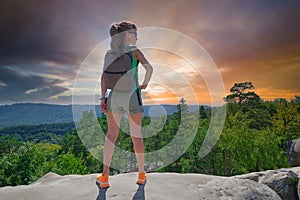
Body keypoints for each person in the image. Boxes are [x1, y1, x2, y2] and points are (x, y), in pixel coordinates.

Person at [96, 21, 153, 189]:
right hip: (132, 97)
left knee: (111, 135)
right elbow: (149, 69)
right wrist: (144, 84)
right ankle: (141, 174)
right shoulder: (135, 52)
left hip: (114, 97)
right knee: (136, 136)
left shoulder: (109, 53)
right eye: (135, 34)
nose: (137, 37)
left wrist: (103, 99)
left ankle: (105, 176)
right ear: (127, 35)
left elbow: (103, 78)